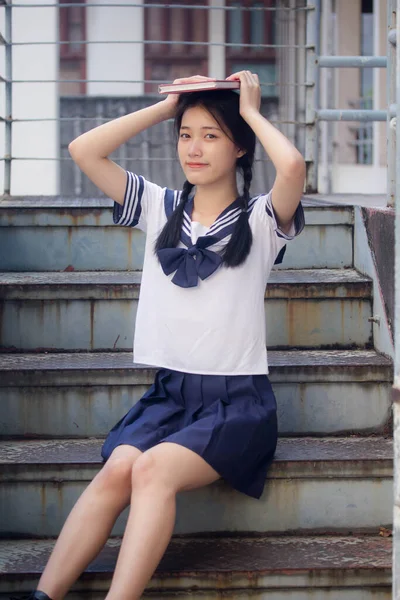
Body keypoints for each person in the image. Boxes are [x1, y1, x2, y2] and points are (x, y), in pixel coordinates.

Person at [18, 71, 305, 600]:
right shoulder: (161, 206)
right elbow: (84, 150)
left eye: (210, 135)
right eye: (185, 134)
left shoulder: (261, 220)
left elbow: (290, 166)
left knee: (149, 470)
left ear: (239, 145)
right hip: (170, 395)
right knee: (117, 470)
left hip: (235, 403)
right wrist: (167, 107)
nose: (193, 148)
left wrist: (250, 110)